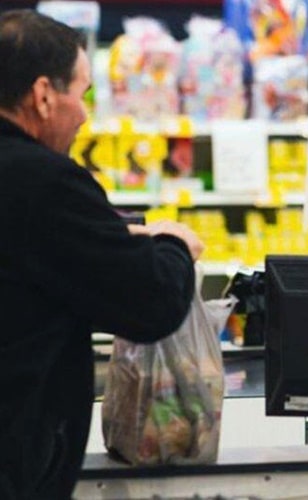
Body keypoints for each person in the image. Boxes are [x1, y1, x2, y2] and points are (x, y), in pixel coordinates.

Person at [0, 10, 203, 498]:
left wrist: (118, 235)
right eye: (82, 93)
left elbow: (42, 252)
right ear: (44, 95)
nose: (86, 112)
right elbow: (150, 302)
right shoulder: (43, 179)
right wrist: (174, 244)